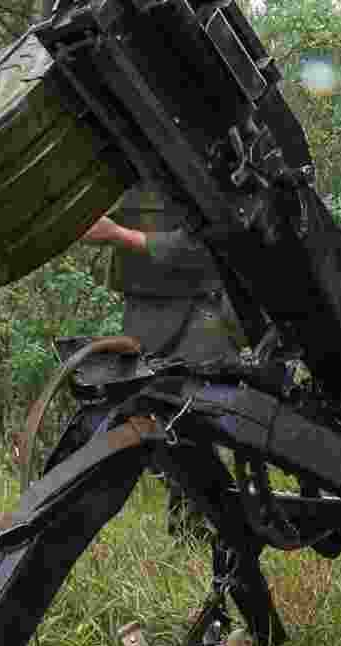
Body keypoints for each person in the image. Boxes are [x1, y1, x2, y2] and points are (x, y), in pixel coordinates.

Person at [84, 182, 248, 539]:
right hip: (149, 310)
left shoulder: (191, 161)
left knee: (195, 419)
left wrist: (120, 235)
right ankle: (195, 519)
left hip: (202, 312)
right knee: (151, 417)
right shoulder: (122, 165)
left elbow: (204, 248)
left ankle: (215, 524)